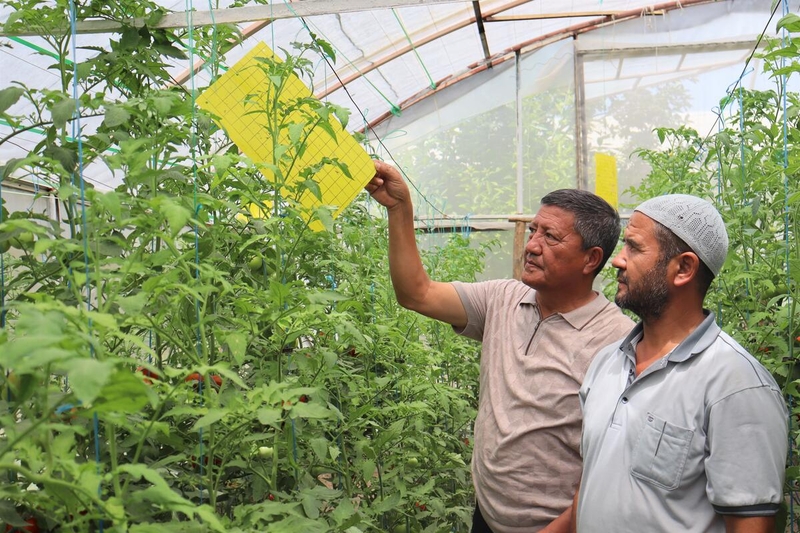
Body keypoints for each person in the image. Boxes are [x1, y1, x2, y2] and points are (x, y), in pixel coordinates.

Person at [366, 160, 634, 533]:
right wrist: (399, 208)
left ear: (591, 259)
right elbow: (417, 293)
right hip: (488, 518)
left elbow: (613, 464)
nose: (532, 246)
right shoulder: (503, 299)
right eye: (533, 231)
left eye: (550, 237)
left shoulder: (616, 341)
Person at [573, 194, 788, 533]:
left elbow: (750, 525)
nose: (617, 261)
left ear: (684, 268)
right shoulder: (606, 363)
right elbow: (593, 482)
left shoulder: (734, 384)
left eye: (634, 248)